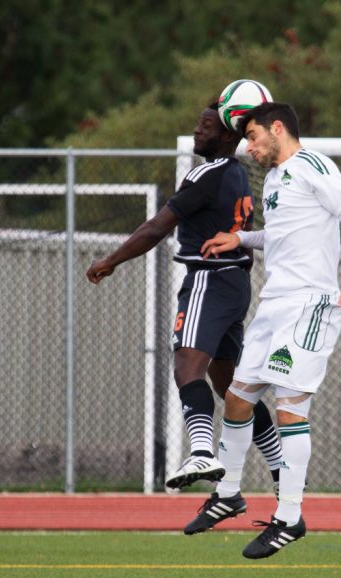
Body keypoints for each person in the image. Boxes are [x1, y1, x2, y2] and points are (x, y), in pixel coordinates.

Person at [85, 100, 283, 526]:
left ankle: (199, 452)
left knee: (186, 367)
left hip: (208, 279)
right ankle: (280, 473)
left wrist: (111, 260)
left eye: (206, 125)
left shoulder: (208, 172)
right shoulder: (237, 174)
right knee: (235, 389)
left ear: (228, 135)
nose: (197, 130)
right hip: (235, 284)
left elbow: (156, 227)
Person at [200, 102, 341, 559]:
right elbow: (281, 236)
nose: (248, 147)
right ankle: (228, 493)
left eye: (252, 136)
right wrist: (241, 238)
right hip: (274, 304)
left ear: (277, 129)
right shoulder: (274, 179)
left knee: (290, 409)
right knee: (237, 397)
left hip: (310, 304)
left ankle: (289, 517)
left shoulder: (313, 165)